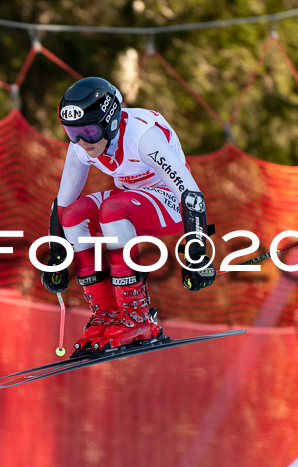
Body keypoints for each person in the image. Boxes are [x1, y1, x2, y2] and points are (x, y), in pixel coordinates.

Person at [42, 77, 215, 353]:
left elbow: (190, 194)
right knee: (74, 216)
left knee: (114, 209)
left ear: (110, 122)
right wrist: (57, 257)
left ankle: (137, 315)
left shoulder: (143, 137)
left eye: (88, 131)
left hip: (170, 201)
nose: (82, 141)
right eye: (72, 132)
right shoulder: (82, 146)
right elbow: (62, 204)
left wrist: (197, 253)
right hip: (132, 199)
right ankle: (107, 313)